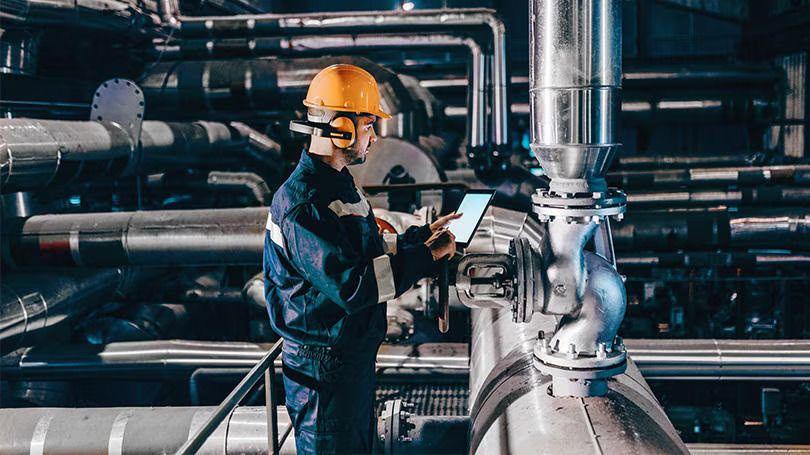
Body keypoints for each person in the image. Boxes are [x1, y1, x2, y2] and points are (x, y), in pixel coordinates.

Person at [263, 63, 459, 454]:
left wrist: (421, 238)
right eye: (368, 124)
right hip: (323, 364)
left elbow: (367, 251)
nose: (373, 135)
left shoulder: (335, 184)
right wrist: (426, 258)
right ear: (342, 128)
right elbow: (354, 285)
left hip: (346, 355)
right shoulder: (307, 203)